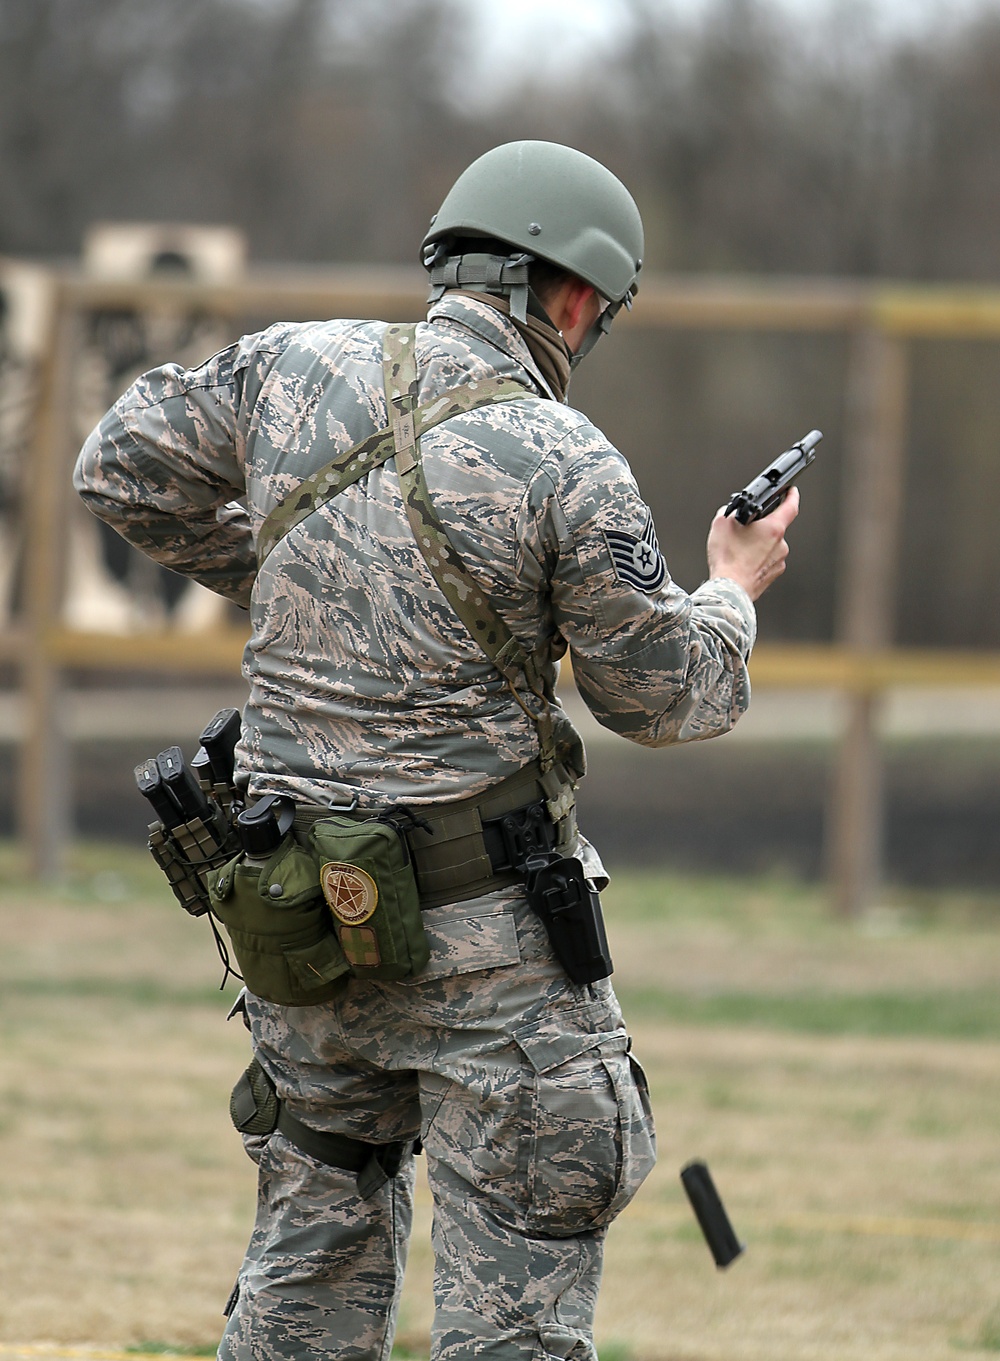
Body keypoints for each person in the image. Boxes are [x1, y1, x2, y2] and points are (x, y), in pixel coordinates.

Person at [74, 140, 798, 1361]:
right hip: (489, 965)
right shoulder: (566, 457)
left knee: (304, 1278)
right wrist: (732, 588)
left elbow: (120, 471)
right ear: (573, 297)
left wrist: (309, 578)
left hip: (298, 931)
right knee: (512, 1312)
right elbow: (665, 698)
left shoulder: (285, 366)